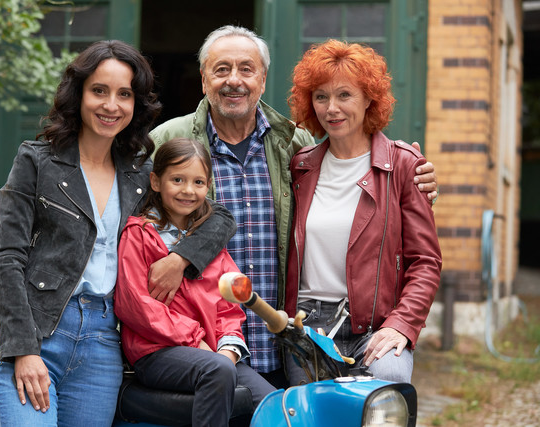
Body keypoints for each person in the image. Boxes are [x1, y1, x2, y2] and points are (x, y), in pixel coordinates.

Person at [149, 25, 438, 386]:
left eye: (246, 69)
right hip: (218, 336)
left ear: (263, 80)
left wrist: (418, 182)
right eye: (221, 69)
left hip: (291, 335)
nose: (233, 80)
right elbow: (136, 225)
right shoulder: (168, 142)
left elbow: (421, 255)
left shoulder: (293, 146)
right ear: (204, 80)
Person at [0, 40, 236, 426]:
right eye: (99, 91)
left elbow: (218, 218)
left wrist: (180, 258)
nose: (111, 105)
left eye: (124, 94)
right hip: (38, 330)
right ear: (79, 94)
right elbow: (7, 258)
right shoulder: (37, 161)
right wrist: (23, 349)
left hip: (102, 345)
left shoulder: (139, 175)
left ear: (136, 104)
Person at [284, 39, 442, 385]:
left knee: (387, 393)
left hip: (375, 326)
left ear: (369, 98)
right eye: (321, 96)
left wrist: (402, 324)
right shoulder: (300, 167)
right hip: (307, 327)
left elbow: (426, 261)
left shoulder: (401, 165)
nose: (331, 108)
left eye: (345, 95)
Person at [114, 137, 276, 427]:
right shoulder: (139, 234)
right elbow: (134, 305)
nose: (188, 190)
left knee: (277, 405)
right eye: (177, 179)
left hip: (213, 353)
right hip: (156, 351)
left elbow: (229, 306)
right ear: (155, 181)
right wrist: (197, 342)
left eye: (198, 182)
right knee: (217, 371)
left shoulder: (209, 242)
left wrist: (228, 349)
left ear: (208, 186)